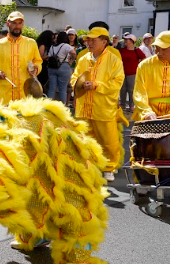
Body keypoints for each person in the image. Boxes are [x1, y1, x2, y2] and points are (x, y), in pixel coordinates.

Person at [70, 26, 125, 182]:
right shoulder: (83, 59)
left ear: (104, 41)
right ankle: (88, 165)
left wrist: (96, 85)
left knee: (108, 139)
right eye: (88, 40)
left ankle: (109, 167)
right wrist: (78, 84)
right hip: (84, 106)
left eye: (93, 40)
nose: (89, 43)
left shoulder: (114, 60)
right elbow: (74, 77)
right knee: (85, 138)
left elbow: (117, 82)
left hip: (103, 107)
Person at [132, 30, 170, 122]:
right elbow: (139, 93)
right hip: (149, 114)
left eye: (164, 49)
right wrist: (146, 112)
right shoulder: (144, 65)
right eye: (157, 48)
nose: (159, 52)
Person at [0, 11, 42, 105]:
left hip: (24, 96)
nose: (17, 26)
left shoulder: (31, 43)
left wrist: (36, 68)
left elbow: (38, 61)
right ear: (7, 24)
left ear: (23, 24)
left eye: (19, 23)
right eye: (14, 23)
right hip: (3, 97)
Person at [117, 33, 146, 112]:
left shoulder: (137, 50)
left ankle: (131, 105)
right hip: (122, 73)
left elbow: (144, 58)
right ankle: (122, 105)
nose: (125, 41)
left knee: (131, 90)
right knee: (122, 90)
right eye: (125, 39)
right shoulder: (122, 50)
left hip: (132, 73)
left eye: (127, 39)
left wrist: (139, 65)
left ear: (132, 41)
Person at [47, 31, 75, 104]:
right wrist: (71, 61)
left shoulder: (52, 46)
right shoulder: (66, 46)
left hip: (52, 68)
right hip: (64, 67)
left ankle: (49, 106)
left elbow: (49, 56)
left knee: (52, 89)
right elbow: (73, 53)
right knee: (62, 89)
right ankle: (62, 107)